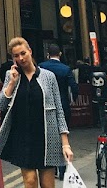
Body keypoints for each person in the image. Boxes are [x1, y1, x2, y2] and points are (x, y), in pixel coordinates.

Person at [0, 37, 73, 188]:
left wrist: (65, 144)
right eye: (16, 56)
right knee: (30, 181)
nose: (21, 58)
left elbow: (59, 111)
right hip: (23, 137)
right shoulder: (12, 76)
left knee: (47, 185)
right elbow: (1, 105)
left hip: (47, 137)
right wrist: (11, 83)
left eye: (23, 53)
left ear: (30, 51)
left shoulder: (49, 77)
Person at [38, 44, 78, 180]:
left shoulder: (41, 66)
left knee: (46, 136)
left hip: (44, 105)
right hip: (63, 105)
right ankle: (62, 170)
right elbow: (74, 87)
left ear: (48, 54)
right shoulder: (66, 69)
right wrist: (73, 99)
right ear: (60, 54)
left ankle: (51, 168)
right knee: (62, 136)